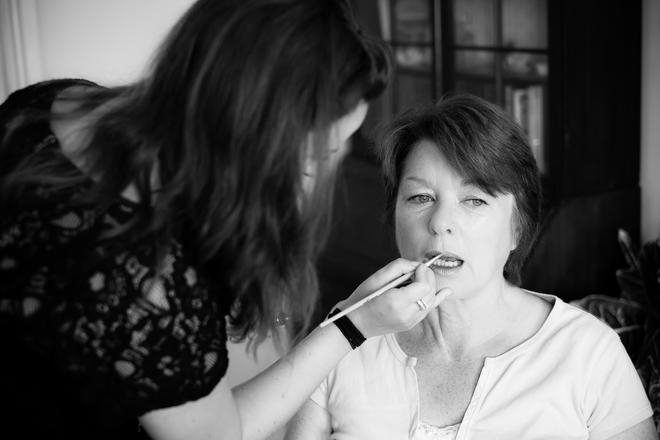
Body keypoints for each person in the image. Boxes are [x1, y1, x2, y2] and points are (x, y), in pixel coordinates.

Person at [0, 1, 453, 439]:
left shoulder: (54, 107)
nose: (326, 173)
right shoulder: (146, 280)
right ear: (260, 142)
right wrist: (353, 325)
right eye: (324, 153)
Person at [285, 94, 657, 440]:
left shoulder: (590, 354)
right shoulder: (342, 341)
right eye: (420, 197)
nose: (440, 222)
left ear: (518, 228)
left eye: (475, 200)